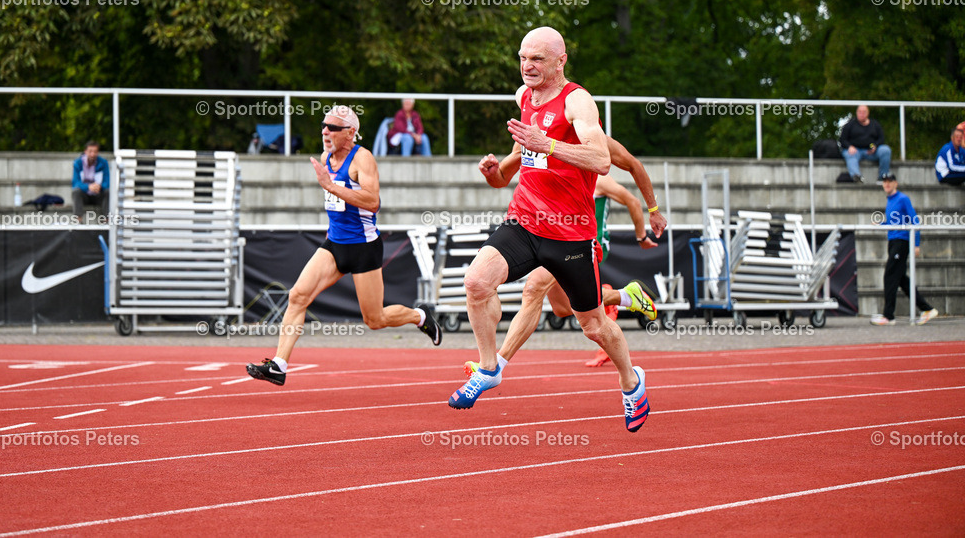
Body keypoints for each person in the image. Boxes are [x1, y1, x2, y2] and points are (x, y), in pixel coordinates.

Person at [448, 26, 651, 434]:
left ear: (561, 61)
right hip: (524, 222)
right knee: (476, 283)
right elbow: (515, 165)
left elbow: (601, 160)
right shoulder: (524, 96)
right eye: (523, 57)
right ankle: (489, 368)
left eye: (537, 59)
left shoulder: (577, 100)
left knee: (592, 325)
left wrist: (550, 145)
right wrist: (494, 172)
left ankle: (632, 382)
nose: (527, 66)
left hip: (572, 234)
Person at [246, 105, 441, 387]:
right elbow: (335, 205)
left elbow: (373, 202)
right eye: (324, 126)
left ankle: (420, 316)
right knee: (297, 296)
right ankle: (279, 365)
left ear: (350, 133)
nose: (325, 132)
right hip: (335, 245)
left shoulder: (363, 159)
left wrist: (332, 187)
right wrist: (332, 203)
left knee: (374, 320)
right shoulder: (327, 157)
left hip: (363, 248)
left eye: (333, 128)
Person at [465, 136, 667, 373]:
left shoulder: (595, 150)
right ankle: (624, 296)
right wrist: (493, 171)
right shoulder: (532, 131)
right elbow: (505, 174)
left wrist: (644, 230)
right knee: (562, 308)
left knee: (533, 289)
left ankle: (495, 365)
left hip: (582, 242)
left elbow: (632, 194)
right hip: (544, 236)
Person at [871, 174, 939, 326]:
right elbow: (892, 222)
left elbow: (914, 220)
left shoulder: (903, 199)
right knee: (901, 279)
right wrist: (881, 224)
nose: (887, 184)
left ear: (895, 183)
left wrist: (916, 244)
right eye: (884, 182)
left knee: (889, 275)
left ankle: (888, 316)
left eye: (889, 182)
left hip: (901, 242)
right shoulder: (890, 201)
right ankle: (927, 309)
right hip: (893, 241)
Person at [839, 105, 892, 183]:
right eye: (860, 112)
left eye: (864, 112)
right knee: (849, 154)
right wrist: (849, 146)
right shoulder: (850, 125)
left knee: (885, 150)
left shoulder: (875, 125)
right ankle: (857, 177)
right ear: (857, 113)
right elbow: (842, 140)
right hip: (855, 151)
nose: (862, 114)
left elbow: (881, 139)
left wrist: (874, 146)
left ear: (868, 113)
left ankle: (883, 177)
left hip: (870, 152)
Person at [71, 141, 109, 217]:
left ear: (98, 152)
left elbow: (107, 182)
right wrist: (88, 187)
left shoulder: (103, 163)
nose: (92, 154)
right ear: (85, 152)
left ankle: (107, 220)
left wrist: (99, 187)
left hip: (98, 194)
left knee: (107, 192)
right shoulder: (78, 163)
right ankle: (77, 220)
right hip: (84, 195)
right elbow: (75, 182)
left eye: (95, 152)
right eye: (90, 151)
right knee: (76, 192)